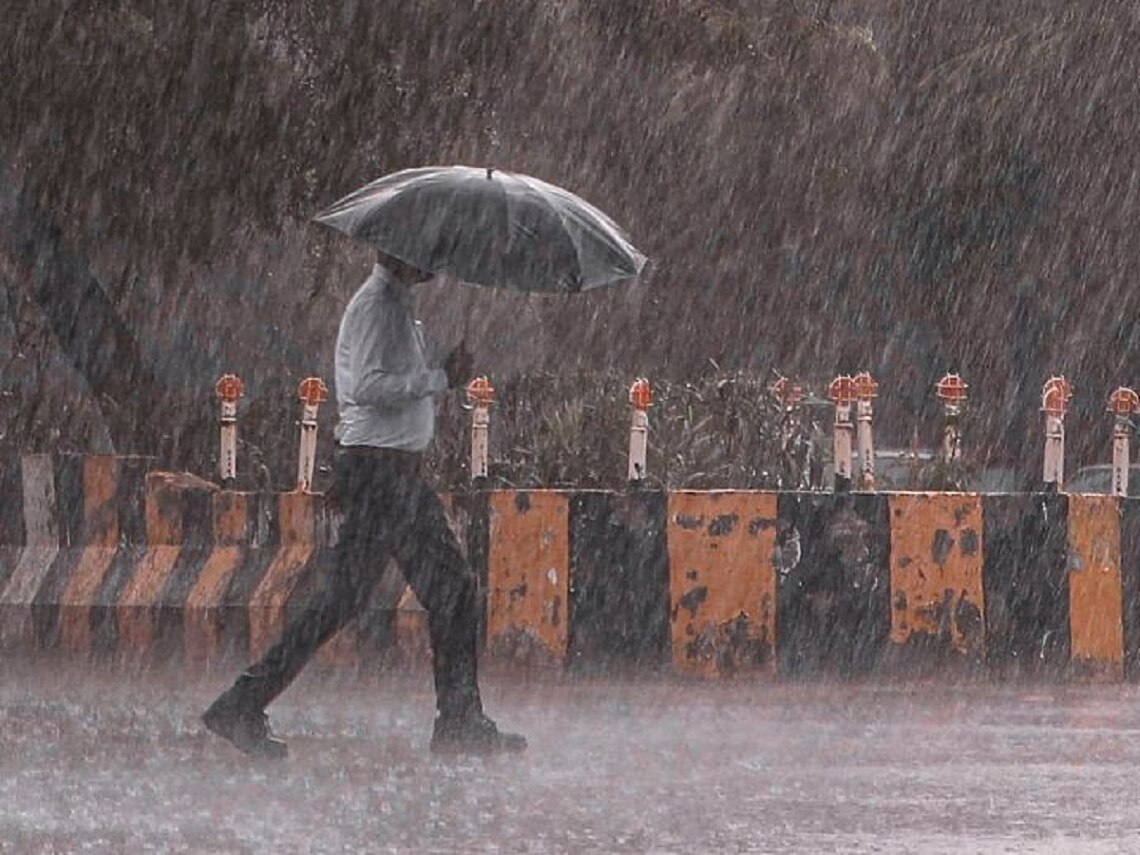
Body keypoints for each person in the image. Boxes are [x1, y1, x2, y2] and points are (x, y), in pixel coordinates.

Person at [202, 252, 526, 759]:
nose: (437, 261)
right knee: (449, 588)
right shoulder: (377, 306)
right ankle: (458, 718)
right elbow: (366, 387)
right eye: (427, 252)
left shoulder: (396, 307)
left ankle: (244, 701)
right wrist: (440, 378)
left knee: (352, 598)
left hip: (389, 473)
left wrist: (441, 376)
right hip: (383, 475)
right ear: (399, 252)